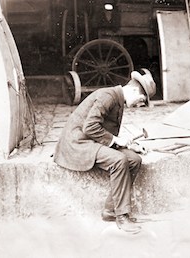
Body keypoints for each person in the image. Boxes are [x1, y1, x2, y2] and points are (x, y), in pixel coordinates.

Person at [54, 68, 156, 233]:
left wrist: (129, 145)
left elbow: (104, 131)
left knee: (135, 160)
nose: (140, 104)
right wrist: (116, 141)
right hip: (78, 143)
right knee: (119, 160)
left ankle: (110, 210)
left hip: (92, 141)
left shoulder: (118, 99)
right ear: (134, 90)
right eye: (141, 99)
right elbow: (90, 127)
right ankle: (122, 216)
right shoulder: (109, 96)